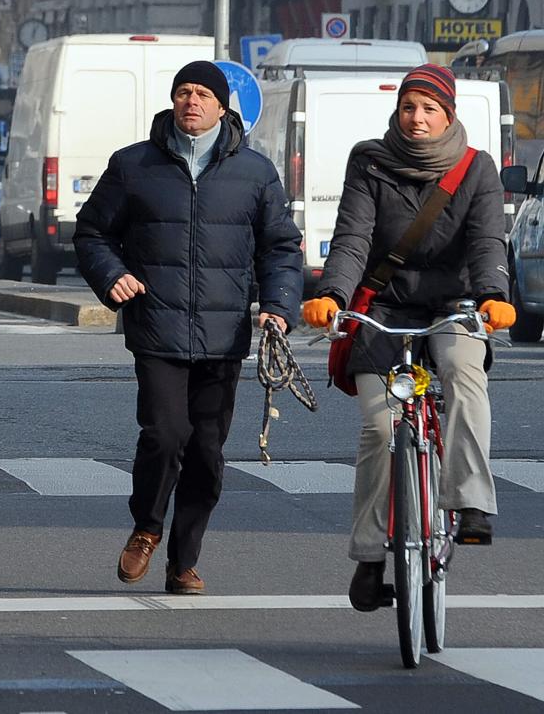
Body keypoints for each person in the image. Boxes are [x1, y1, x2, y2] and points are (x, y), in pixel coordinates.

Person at [74, 61, 302, 594]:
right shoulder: (134, 166)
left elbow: (280, 247)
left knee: (206, 451)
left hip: (225, 337)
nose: (191, 102)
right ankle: (147, 528)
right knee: (165, 434)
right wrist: (114, 276)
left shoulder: (255, 172)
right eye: (183, 92)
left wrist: (279, 306)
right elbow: (92, 234)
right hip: (157, 325)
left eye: (202, 94)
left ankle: (185, 560)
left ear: (223, 107)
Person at [300, 64, 516, 612]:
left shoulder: (477, 168)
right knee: (379, 424)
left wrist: (492, 295)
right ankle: (371, 559)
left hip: (456, 304)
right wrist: (335, 295)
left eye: (429, 109)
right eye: (407, 108)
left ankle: (469, 504)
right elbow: (352, 236)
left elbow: (488, 241)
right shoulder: (370, 161)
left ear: (449, 115)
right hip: (386, 304)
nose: (416, 118)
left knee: (464, 375)